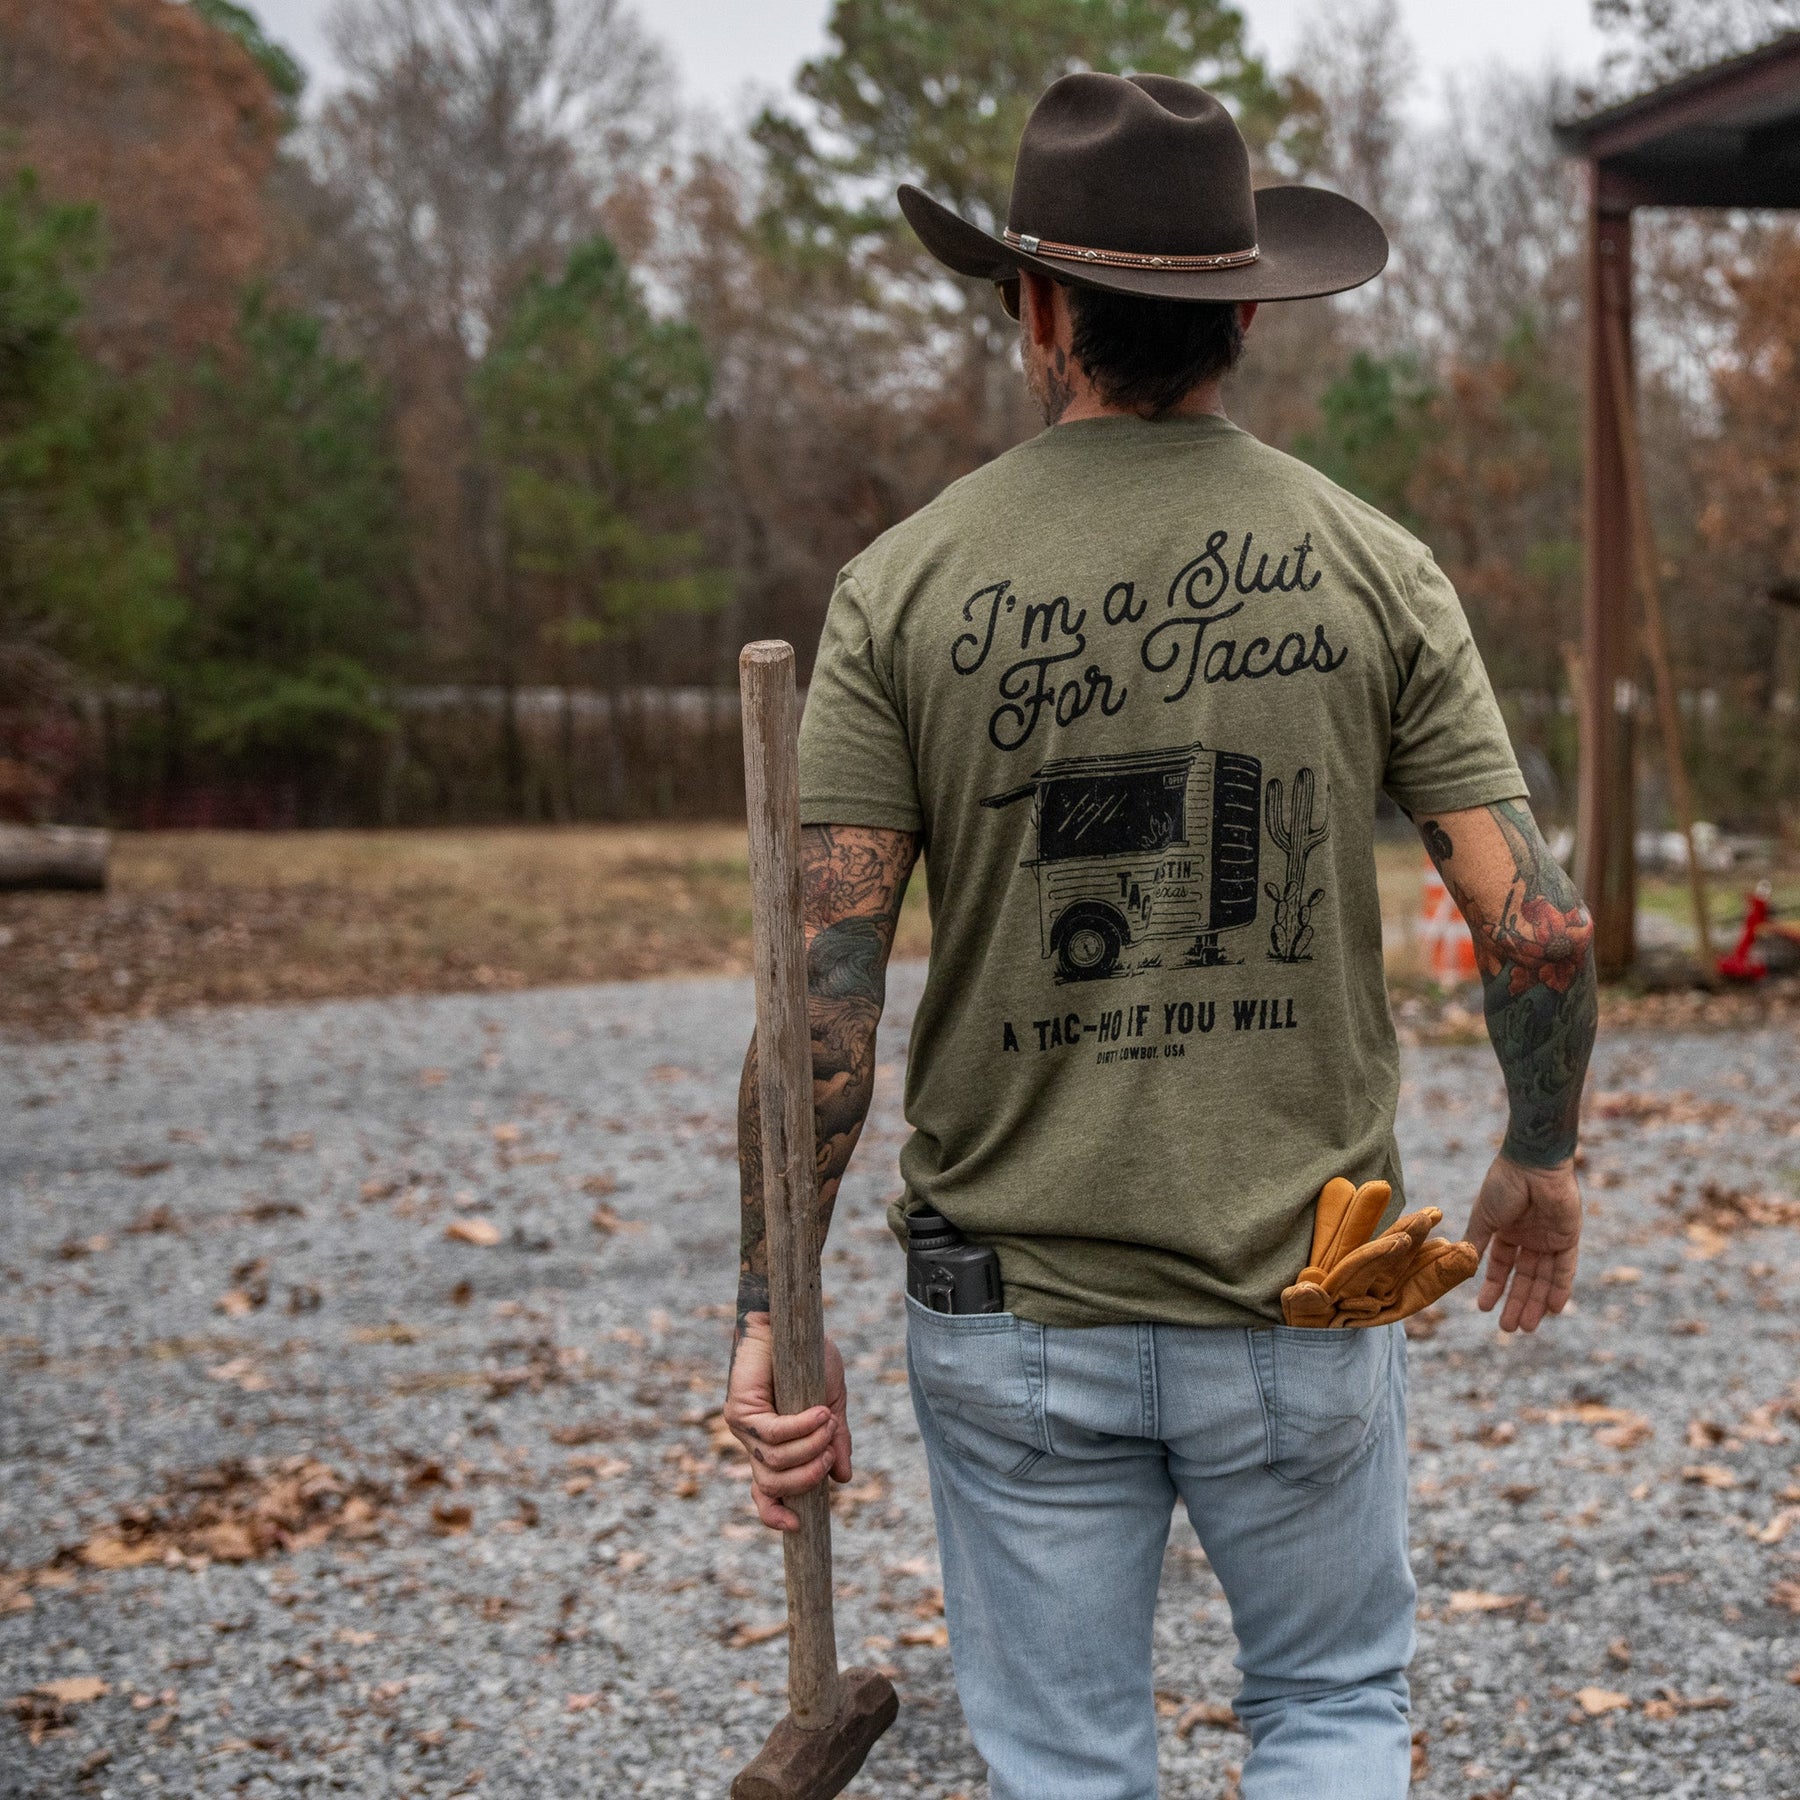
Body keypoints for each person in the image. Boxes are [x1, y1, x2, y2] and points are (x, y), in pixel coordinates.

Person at [723, 71, 1597, 1800]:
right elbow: (1537, 928)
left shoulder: (902, 586)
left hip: (1010, 1315)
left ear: (1039, 309)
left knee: (1064, 1760)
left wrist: (773, 1301)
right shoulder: (1375, 565)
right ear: (1246, 311)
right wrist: (1543, 1155)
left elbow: (821, 1000)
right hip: (1301, 1288)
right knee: (1333, 1706)